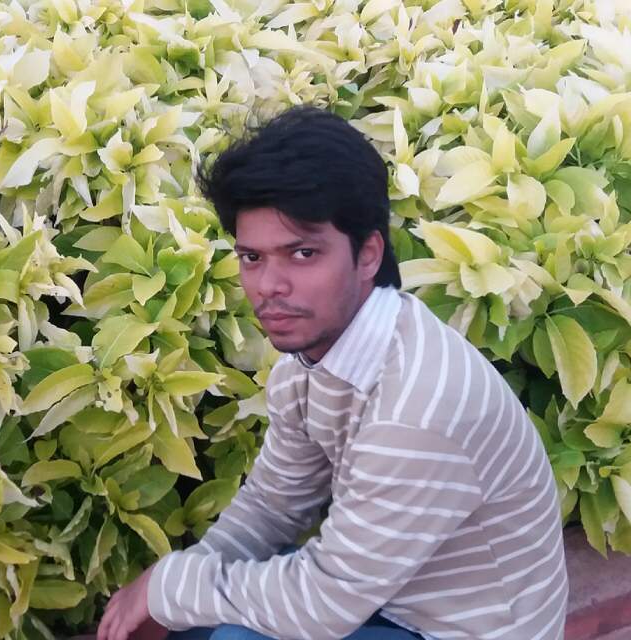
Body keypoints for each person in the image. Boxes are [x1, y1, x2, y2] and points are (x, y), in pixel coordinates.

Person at [97, 105, 568, 640]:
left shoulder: (415, 410)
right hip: (390, 600)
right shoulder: (315, 359)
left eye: (302, 253)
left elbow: (323, 604)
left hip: (462, 630)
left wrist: (169, 588)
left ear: (368, 254)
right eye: (252, 258)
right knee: (200, 620)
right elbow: (274, 503)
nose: (269, 286)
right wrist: (171, 595)